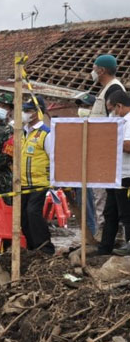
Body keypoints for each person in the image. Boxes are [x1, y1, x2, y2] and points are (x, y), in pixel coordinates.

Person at [20, 96, 55, 255]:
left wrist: (53, 182)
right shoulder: (23, 133)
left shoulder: (46, 134)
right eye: (24, 110)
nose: (25, 114)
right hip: (23, 184)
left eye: (29, 110)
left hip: (39, 183)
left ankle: (45, 248)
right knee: (23, 217)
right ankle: (32, 247)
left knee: (33, 213)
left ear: (38, 112)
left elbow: (54, 158)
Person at [98, 92, 130, 255]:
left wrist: (109, 141)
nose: (111, 113)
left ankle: (129, 246)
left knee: (126, 213)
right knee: (111, 212)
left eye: (111, 109)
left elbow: (128, 145)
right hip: (116, 175)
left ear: (119, 106)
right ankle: (105, 247)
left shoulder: (129, 121)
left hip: (126, 175)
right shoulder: (121, 122)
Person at [73, 93, 98, 243]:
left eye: (86, 106)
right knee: (84, 207)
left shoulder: (99, 126)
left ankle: (93, 235)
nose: (82, 109)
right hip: (79, 173)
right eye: (81, 106)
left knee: (93, 207)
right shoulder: (76, 126)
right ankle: (88, 236)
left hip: (94, 173)